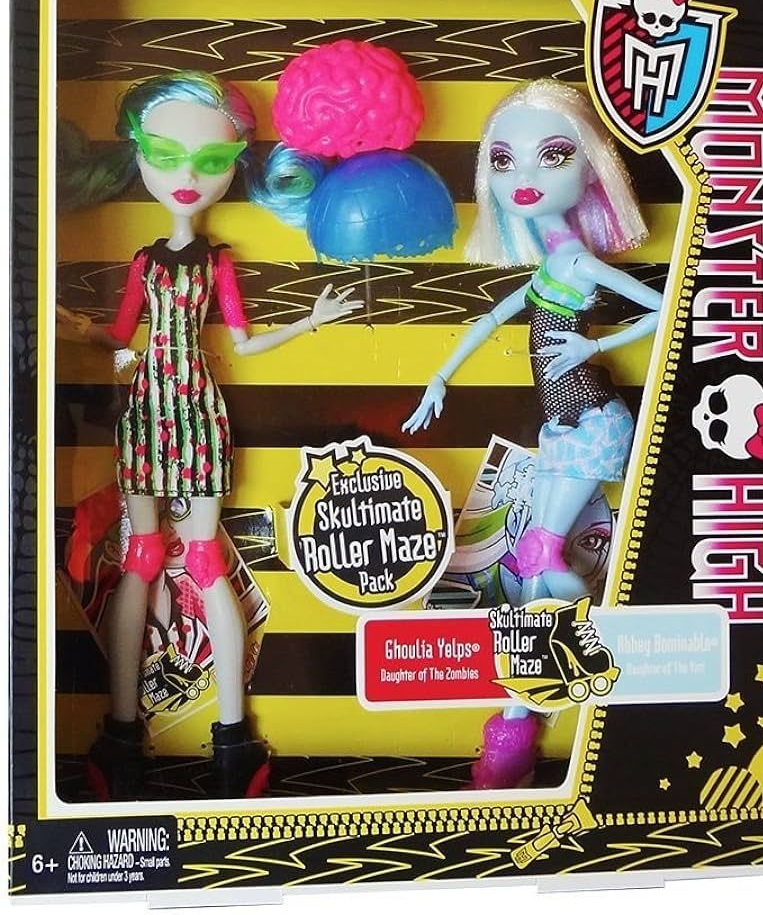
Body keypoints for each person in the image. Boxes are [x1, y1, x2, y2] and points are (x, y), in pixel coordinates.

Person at [58, 70, 363, 800]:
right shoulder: (143, 261)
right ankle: (122, 730)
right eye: (165, 156)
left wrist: (310, 321)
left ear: (236, 165)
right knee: (140, 558)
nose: (187, 177)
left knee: (202, 559)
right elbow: (122, 335)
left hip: (197, 410)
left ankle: (233, 734)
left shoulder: (217, 262)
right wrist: (78, 330)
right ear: (136, 155)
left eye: (211, 160)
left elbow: (244, 340)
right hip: (146, 410)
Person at [403, 79, 663, 789]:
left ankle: (538, 701)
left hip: (591, 421)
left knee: (542, 553)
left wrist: (591, 347)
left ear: (591, 168)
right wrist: (440, 377)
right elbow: (492, 318)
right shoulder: (554, 260)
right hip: (563, 425)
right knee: (533, 558)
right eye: (503, 159)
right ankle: (556, 681)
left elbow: (666, 305)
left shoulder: (577, 261)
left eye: (552, 155)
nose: (523, 176)